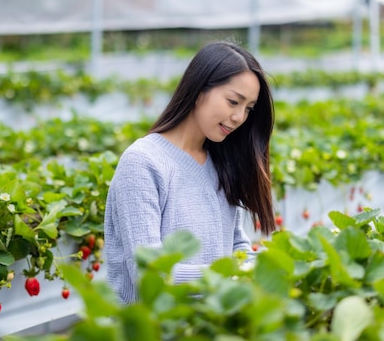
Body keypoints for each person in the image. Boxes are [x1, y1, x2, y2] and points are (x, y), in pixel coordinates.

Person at [104, 40, 276, 304]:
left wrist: (275, 264)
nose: (239, 117)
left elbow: (235, 247)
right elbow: (150, 273)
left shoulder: (221, 163)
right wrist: (230, 276)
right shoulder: (143, 163)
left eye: (248, 109)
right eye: (233, 101)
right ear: (199, 91)